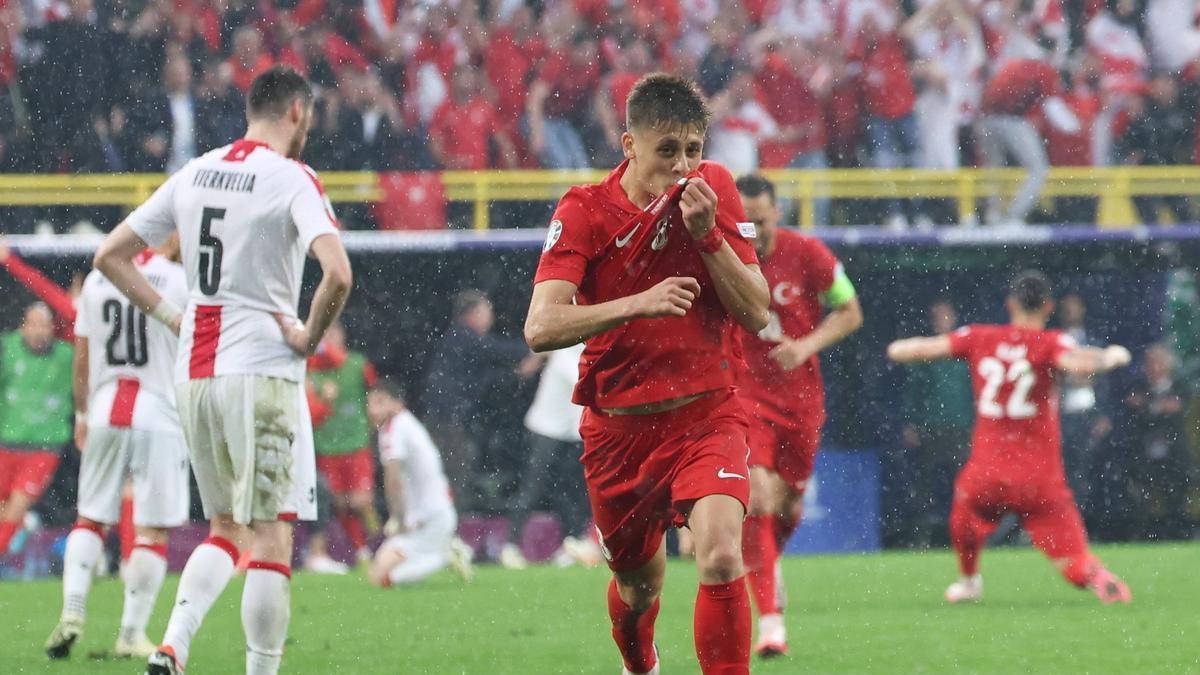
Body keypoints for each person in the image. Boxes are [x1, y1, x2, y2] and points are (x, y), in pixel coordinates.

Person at [92, 66, 352, 675]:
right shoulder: (292, 177)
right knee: (271, 535)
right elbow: (338, 272)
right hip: (260, 372)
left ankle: (171, 646)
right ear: (297, 113)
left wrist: (173, 316)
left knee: (226, 527)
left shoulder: (195, 170)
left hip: (194, 377)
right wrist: (309, 335)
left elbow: (109, 255)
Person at [524, 73, 770, 675]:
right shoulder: (583, 208)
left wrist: (708, 236)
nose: (684, 165)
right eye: (668, 150)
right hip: (619, 433)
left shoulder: (715, 190)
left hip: (707, 414)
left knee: (717, 554)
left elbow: (757, 311)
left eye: (693, 149)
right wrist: (636, 302)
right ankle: (642, 666)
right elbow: (540, 327)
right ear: (630, 144)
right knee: (639, 588)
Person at [887, 271, 1133, 605]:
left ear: (1010, 304)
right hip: (1039, 478)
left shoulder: (979, 337)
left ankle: (969, 580)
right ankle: (1094, 575)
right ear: (1048, 307)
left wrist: (897, 347)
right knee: (1072, 558)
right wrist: (1112, 357)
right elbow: (1078, 365)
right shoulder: (1051, 342)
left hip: (987, 474)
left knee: (964, 514)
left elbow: (915, 350)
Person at [733, 174, 863, 658]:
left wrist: (806, 344)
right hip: (745, 394)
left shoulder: (809, 254)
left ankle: (768, 566)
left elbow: (850, 311)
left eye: (760, 221)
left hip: (800, 400)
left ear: (777, 213)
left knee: (787, 508)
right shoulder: (723, 259)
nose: (752, 231)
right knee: (758, 496)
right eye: (743, 222)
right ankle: (770, 624)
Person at [44, 238, 189, 660]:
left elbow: (82, 357)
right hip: (158, 410)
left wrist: (82, 415)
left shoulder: (96, 279)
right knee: (153, 529)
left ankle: (72, 610)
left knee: (90, 518)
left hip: (107, 407)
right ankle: (131, 632)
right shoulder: (180, 281)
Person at [499, 342, 600, 570]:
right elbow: (583, 382)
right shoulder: (567, 354)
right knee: (531, 489)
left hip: (571, 433)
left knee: (570, 491)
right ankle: (510, 546)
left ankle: (572, 544)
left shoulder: (579, 353)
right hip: (545, 430)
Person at [365, 378, 473, 587]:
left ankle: (445, 556)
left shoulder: (395, 430)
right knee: (377, 570)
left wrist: (398, 518)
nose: (372, 410)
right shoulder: (403, 424)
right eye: (370, 403)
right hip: (433, 513)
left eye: (380, 402)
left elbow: (393, 479)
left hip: (428, 518)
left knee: (380, 578)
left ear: (397, 403)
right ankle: (444, 552)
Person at [0, 304, 74, 556]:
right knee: (5, 509)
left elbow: (81, 325)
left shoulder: (67, 355)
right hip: (6, 443)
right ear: (23, 327)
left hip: (44, 448)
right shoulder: (7, 349)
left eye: (44, 325)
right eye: (33, 324)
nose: (39, 331)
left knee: (17, 505)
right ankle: (22, 527)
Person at [306, 320, 381, 569]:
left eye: (333, 332)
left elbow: (375, 395)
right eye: (323, 333)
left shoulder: (358, 364)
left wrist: (375, 423)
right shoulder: (310, 370)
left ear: (343, 335)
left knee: (361, 502)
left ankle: (383, 544)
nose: (328, 338)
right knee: (339, 503)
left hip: (356, 443)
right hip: (327, 447)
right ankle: (361, 551)